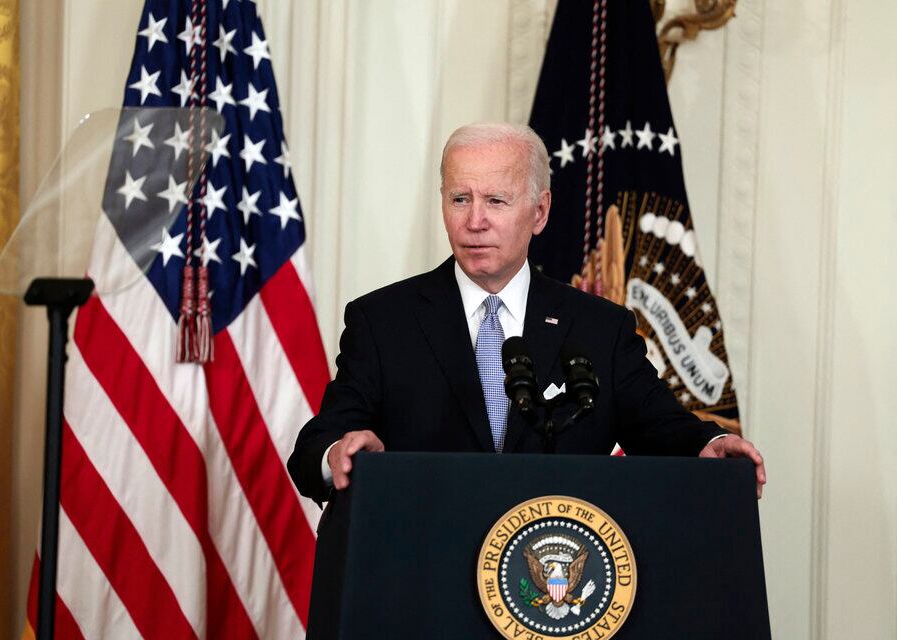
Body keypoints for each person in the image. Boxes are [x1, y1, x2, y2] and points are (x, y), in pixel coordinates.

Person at [287, 123, 766, 505]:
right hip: (424, 569)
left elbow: (661, 426)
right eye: (459, 199)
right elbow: (317, 446)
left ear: (539, 212)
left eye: (496, 201)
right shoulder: (383, 321)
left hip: (555, 575)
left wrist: (708, 444)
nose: (475, 221)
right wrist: (338, 453)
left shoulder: (599, 328)